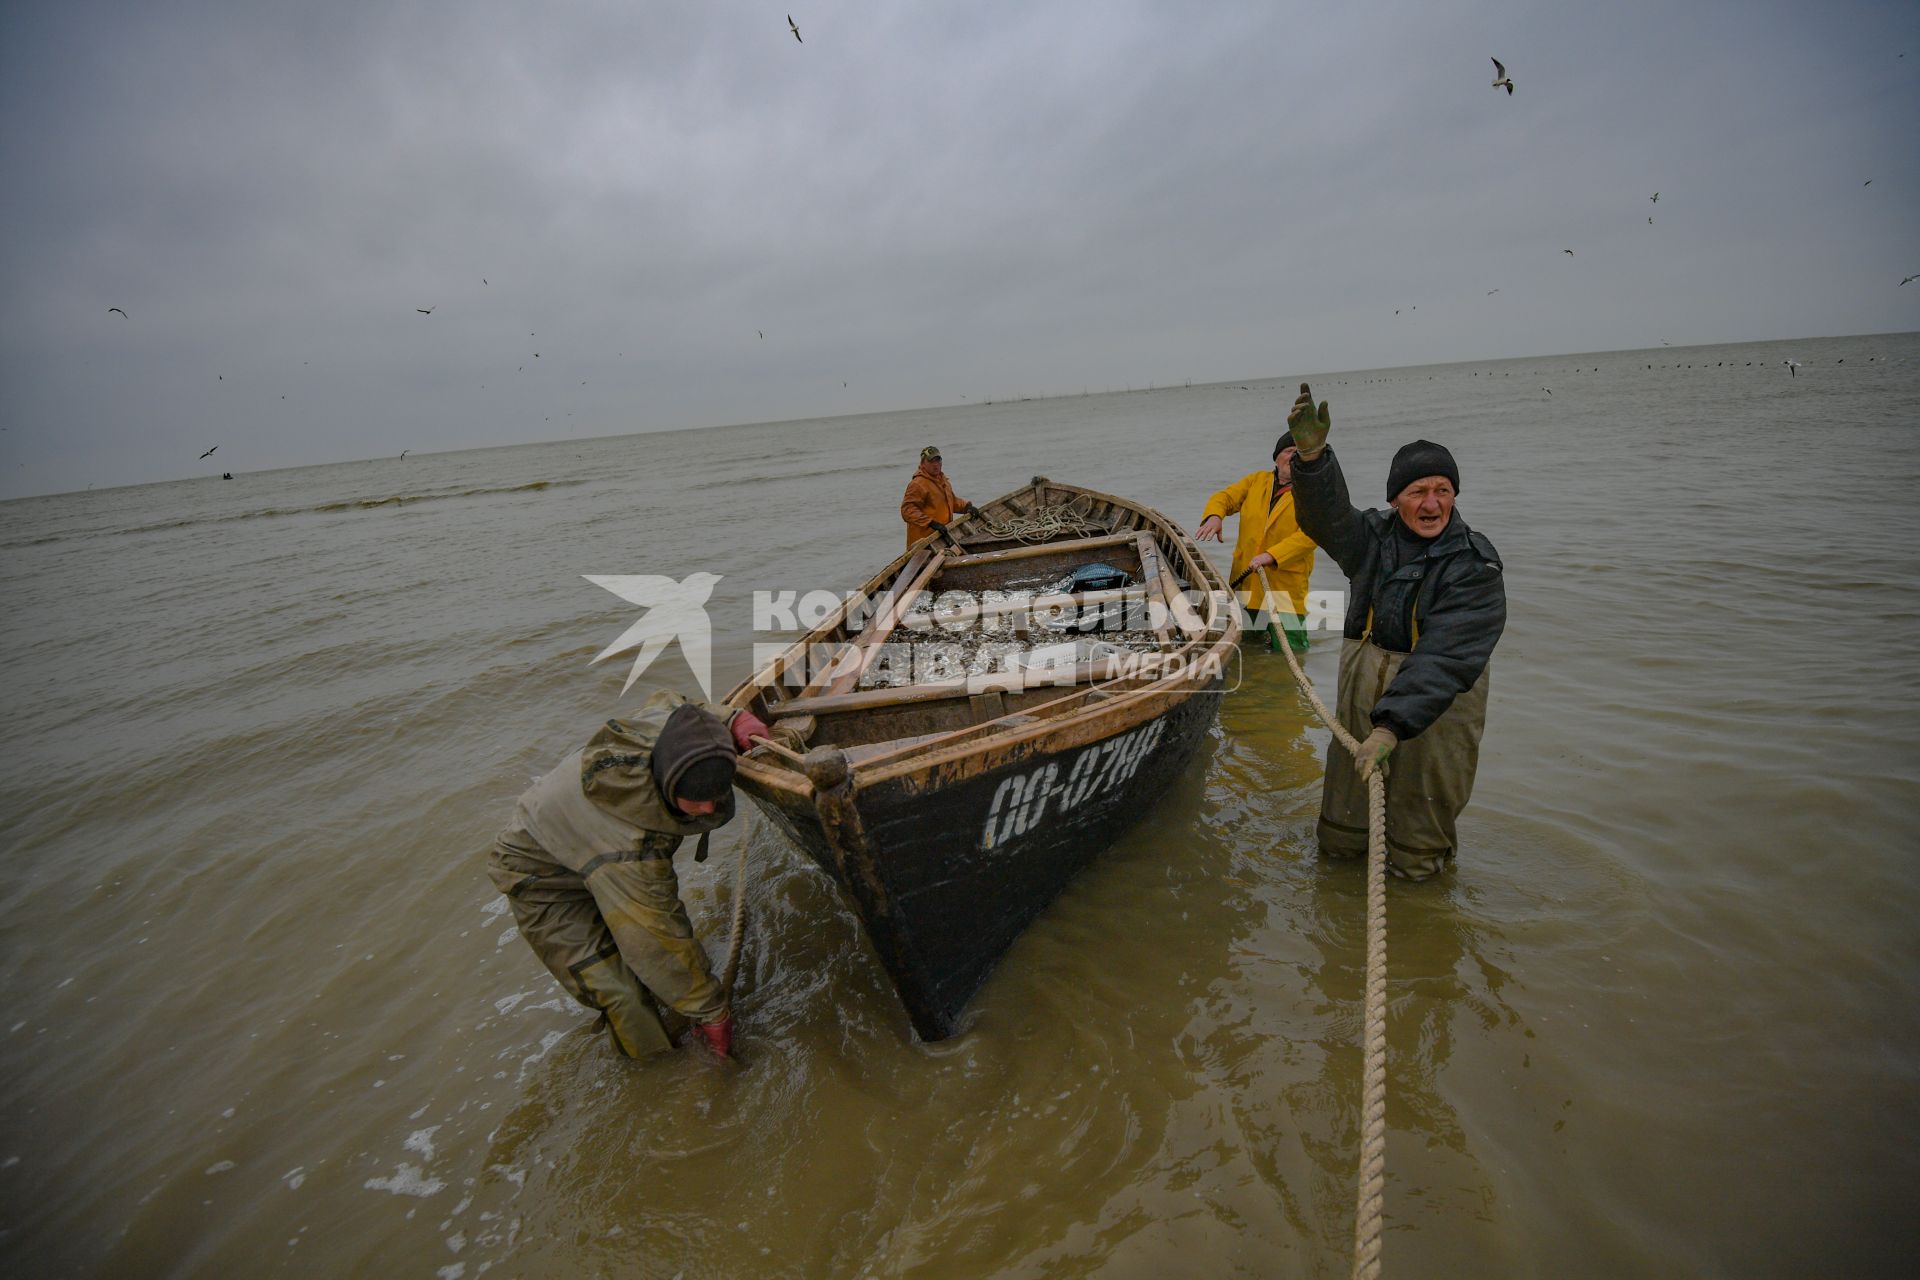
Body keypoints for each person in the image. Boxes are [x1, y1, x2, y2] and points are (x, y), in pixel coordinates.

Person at [485, 691, 801, 1058]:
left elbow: (677, 705)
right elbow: (656, 938)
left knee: (650, 972)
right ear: (668, 783)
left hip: (576, 837)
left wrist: (731, 719)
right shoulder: (629, 847)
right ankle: (654, 1069)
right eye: (697, 800)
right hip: (538, 876)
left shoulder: (667, 732)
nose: (709, 808)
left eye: (716, 796)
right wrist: (712, 1013)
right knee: (620, 994)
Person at [1284, 382, 1506, 880]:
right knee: (1340, 838)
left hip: (1433, 713)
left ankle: (1422, 937)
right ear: (1395, 499)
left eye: (1442, 491)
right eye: (1418, 492)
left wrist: (1392, 726)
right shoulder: (1371, 538)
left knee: (1416, 851)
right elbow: (1325, 519)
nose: (1432, 503)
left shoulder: (1475, 566)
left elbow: (1447, 657)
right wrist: (1313, 458)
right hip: (1361, 700)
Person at [1195, 430, 1318, 653]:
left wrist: (1272, 556)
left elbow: (1312, 535)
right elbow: (1224, 498)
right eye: (1289, 451)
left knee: (1293, 651)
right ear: (1277, 457)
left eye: (1300, 454)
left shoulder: (1312, 492)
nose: (1293, 457)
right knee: (1247, 649)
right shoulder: (1256, 481)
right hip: (1247, 581)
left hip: (1286, 588)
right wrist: (1215, 516)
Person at [900, 445, 974, 551]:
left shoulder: (942, 480)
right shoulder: (917, 484)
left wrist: (967, 507)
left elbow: (951, 502)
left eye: (938, 460)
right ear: (922, 464)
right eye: (931, 461)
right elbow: (907, 510)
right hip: (923, 543)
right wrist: (931, 523)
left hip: (941, 537)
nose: (936, 465)